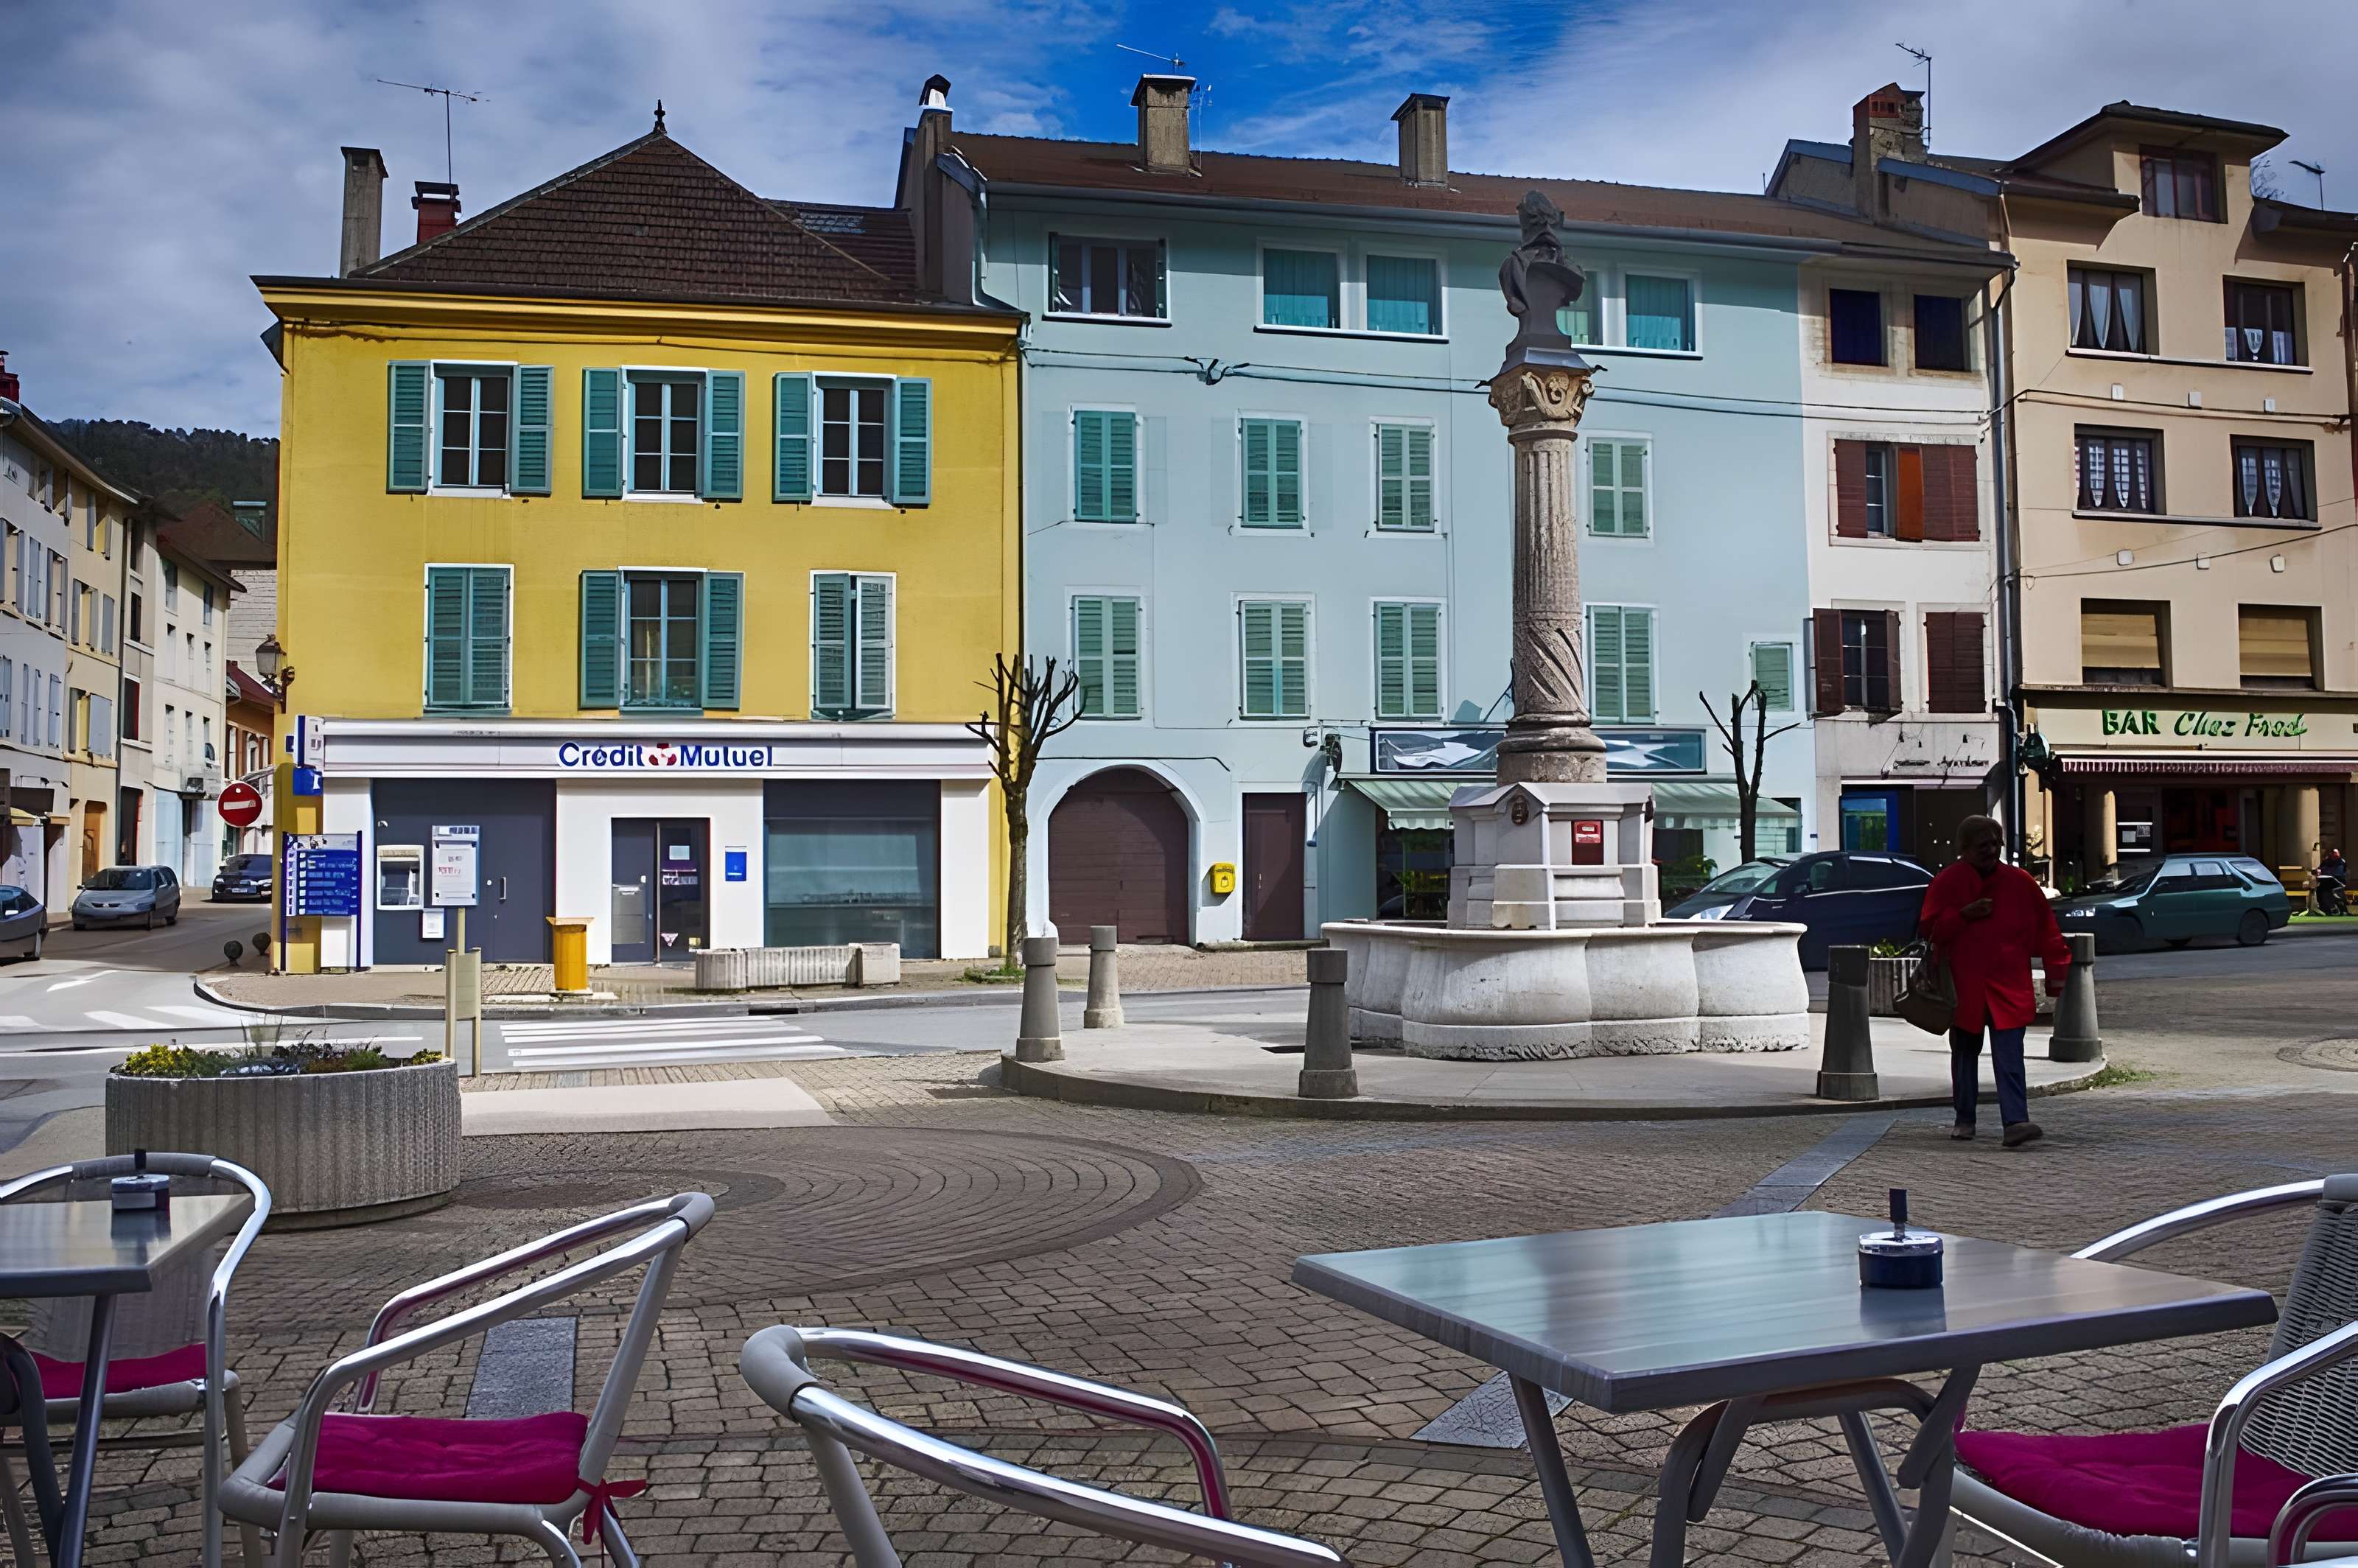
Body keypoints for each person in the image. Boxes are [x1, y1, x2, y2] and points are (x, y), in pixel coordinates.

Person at [1919, 816, 2071, 1147]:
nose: (1990, 850)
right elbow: (1929, 930)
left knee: (2010, 1056)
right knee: (1964, 1056)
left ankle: (2016, 1122)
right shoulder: (1948, 882)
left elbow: (2048, 931)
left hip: (2008, 985)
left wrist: (2057, 975)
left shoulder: (2020, 882)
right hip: (1964, 987)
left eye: (1995, 843)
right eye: (1981, 845)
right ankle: (1965, 1118)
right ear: (1964, 849)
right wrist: (1963, 915)